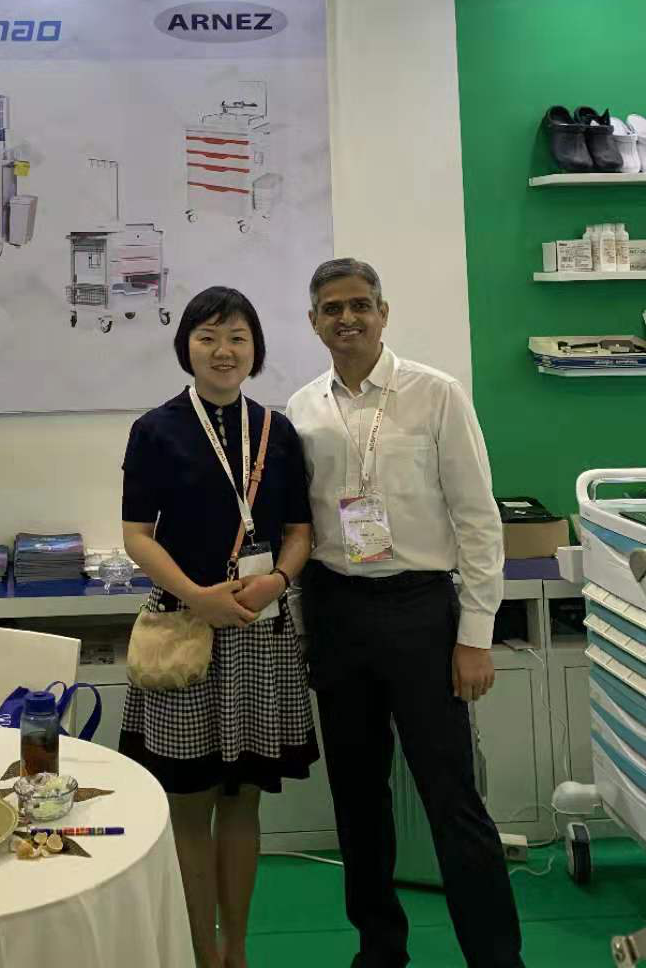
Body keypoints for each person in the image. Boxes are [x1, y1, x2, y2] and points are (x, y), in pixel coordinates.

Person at [287, 258, 523, 968]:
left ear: (383, 313)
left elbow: (478, 519)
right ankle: (380, 951)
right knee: (357, 800)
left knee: (452, 799)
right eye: (332, 308)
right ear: (314, 322)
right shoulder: (301, 408)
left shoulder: (435, 393)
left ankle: (496, 958)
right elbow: (300, 525)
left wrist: (475, 636)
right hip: (336, 610)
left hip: (420, 612)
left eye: (360, 304)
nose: (348, 318)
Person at [119, 285, 317, 968]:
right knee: (188, 804)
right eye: (207, 337)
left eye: (237, 337)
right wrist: (196, 597)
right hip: (185, 635)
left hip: (260, 634)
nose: (223, 350)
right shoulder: (156, 430)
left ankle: (237, 948)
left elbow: (300, 532)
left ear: (255, 348)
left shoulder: (278, 431)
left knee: (243, 804)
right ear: (187, 347)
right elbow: (137, 535)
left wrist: (279, 580)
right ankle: (201, 952)